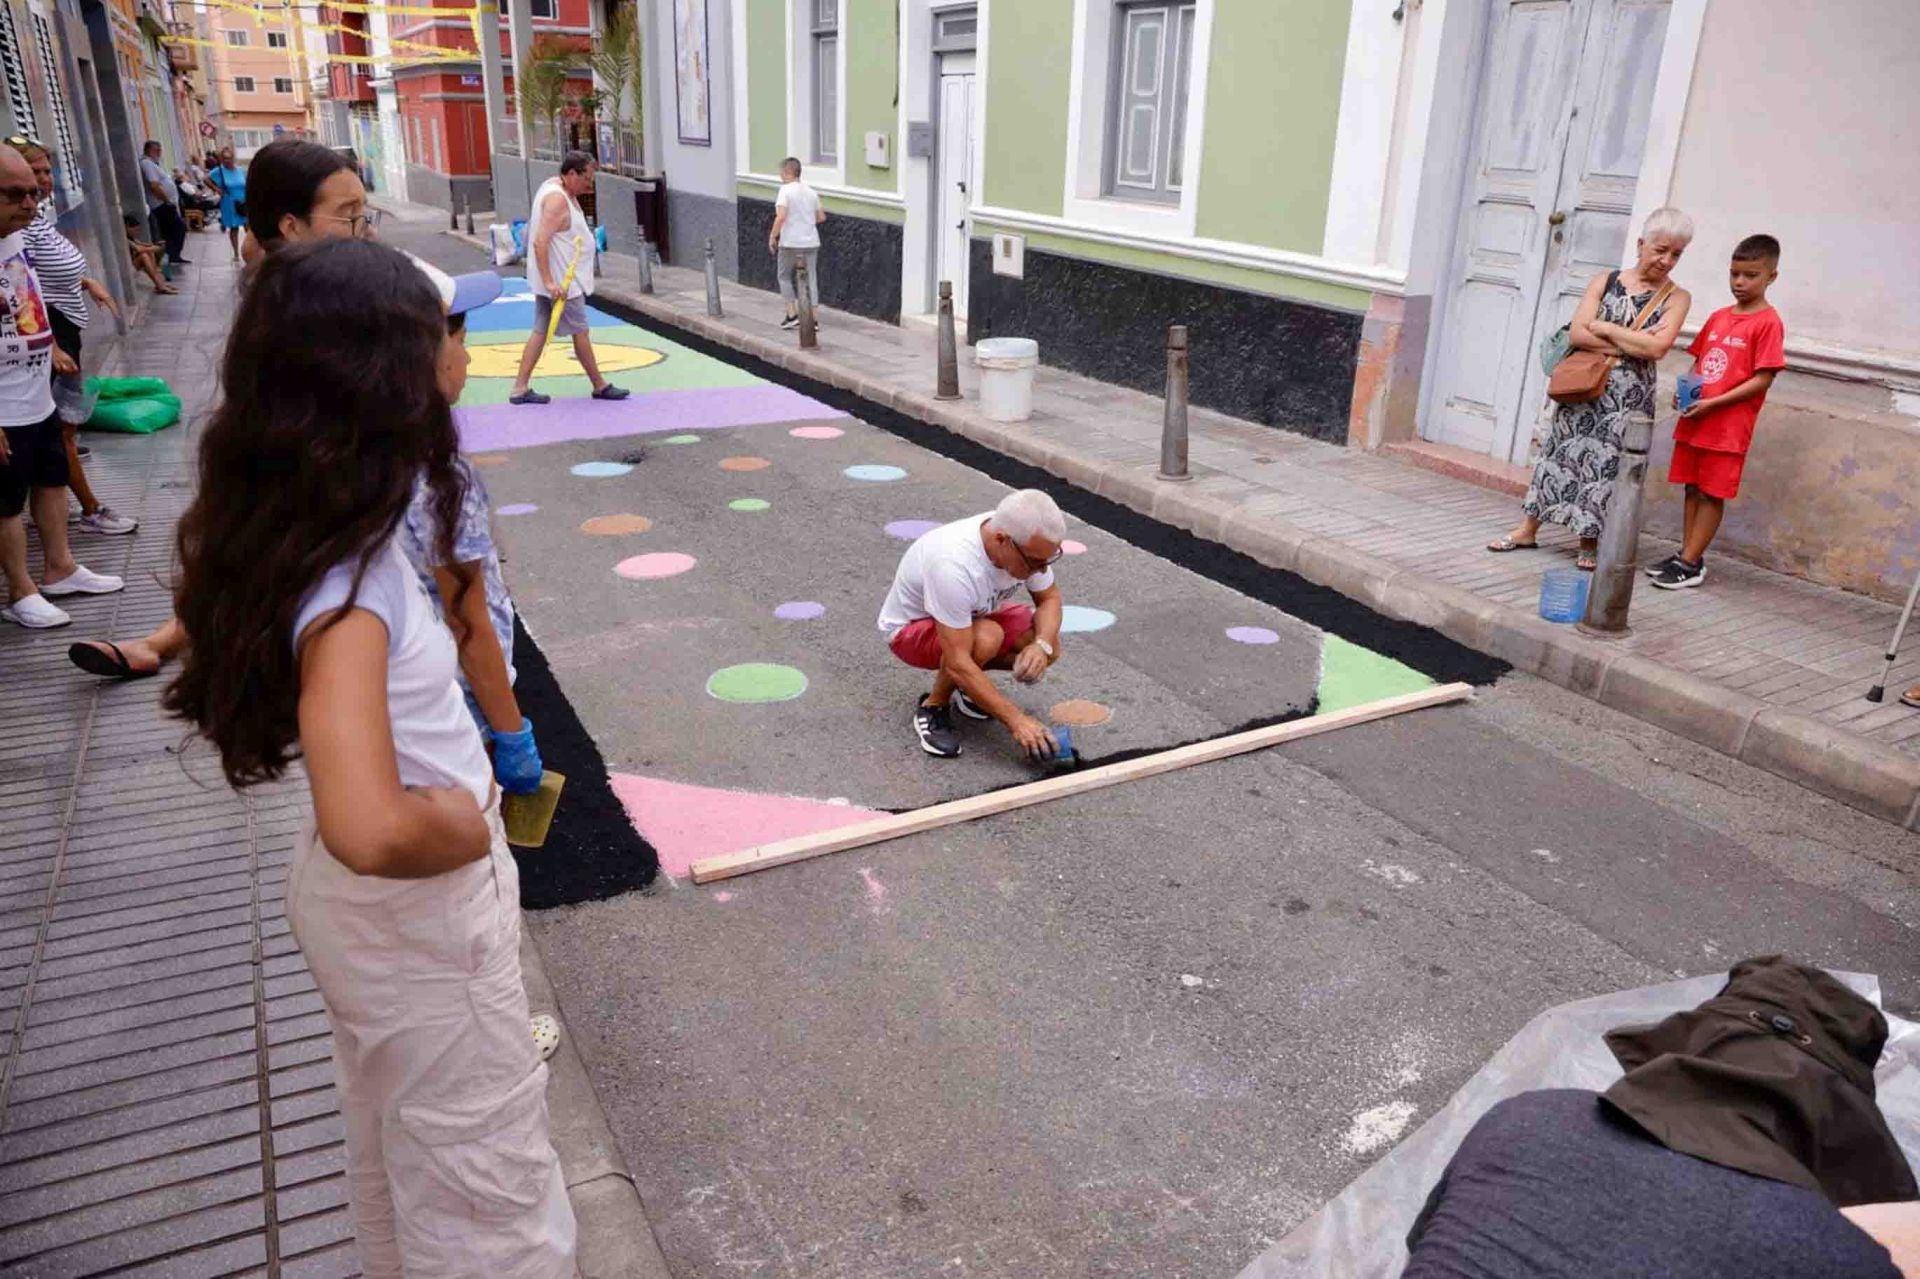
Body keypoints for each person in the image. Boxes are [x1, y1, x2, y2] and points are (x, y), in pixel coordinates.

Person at [163, 238, 576, 1276]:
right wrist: (459, 819)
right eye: (444, 333)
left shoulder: (319, 528)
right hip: (418, 914)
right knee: (487, 1184)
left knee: (404, 1151)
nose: (461, 353)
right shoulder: (356, 579)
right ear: (382, 375)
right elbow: (368, 823)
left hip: (376, 921)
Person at [68, 139, 368, 676]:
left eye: (363, 214)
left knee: (243, 562)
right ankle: (173, 644)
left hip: (292, 462)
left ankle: (160, 643)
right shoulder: (300, 299)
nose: (362, 229)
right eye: (347, 217)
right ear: (292, 225)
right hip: (305, 465)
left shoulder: (288, 269)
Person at [1489, 208, 1694, 571]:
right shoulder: (1606, 280)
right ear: (1641, 244)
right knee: (1560, 451)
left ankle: (1589, 539)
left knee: (1608, 465)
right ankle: (1528, 528)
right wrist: (1629, 342)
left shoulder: (1677, 298)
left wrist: (1608, 328)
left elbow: (1657, 349)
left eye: (1676, 254)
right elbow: (1578, 333)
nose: (1667, 260)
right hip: (1584, 383)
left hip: (1628, 397)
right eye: (1660, 249)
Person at [0, 146, 123, 628]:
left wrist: (47, 346)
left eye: (33, 192)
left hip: (33, 391)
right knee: (6, 501)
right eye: (15, 194)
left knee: (51, 479)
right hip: (4, 404)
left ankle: (60, 568)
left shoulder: (12, 238)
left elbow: (28, 300)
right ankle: (21, 590)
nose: (30, 203)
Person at [878, 489, 1068, 760]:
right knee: (986, 638)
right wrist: (1018, 722)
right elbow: (956, 661)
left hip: (969, 616)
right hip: (910, 630)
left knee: (1047, 643)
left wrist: (1042, 645)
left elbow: (1049, 598)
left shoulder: (1023, 538)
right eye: (1036, 563)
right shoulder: (953, 565)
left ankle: (971, 689)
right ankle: (933, 707)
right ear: (1003, 541)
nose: (1041, 569)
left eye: (1049, 560)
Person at [1648, 234, 1786, 591]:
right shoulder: (1718, 317)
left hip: (1727, 427)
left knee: (1711, 492)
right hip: (1697, 419)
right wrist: (1687, 394)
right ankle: (1686, 554)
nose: (1740, 283)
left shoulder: (1768, 323)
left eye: (1751, 275)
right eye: (1735, 274)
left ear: (1771, 276)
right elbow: (1700, 362)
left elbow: (1763, 378)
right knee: (1692, 488)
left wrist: (1714, 403)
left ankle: (1691, 563)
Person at [14, 139, 136, 536]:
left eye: (47, 172)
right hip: (49, 334)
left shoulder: (36, 220)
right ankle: (90, 509)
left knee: (58, 429)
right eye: (35, 174)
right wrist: (50, 345)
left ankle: (48, 509)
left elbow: (47, 270)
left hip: (62, 326)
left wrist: (86, 281)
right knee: (61, 429)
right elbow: (22, 290)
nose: (44, 182)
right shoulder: (16, 230)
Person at [506, 150, 627, 406]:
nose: (589, 185)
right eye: (587, 178)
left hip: (557, 280)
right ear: (571, 173)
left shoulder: (557, 186)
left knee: (540, 330)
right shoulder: (557, 200)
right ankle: (599, 385)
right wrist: (551, 283)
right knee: (580, 331)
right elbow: (540, 242)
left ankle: (519, 388)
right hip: (562, 283)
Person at [768, 156, 825, 331]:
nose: (780, 176)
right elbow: (821, 217)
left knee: (784, 276)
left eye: (781, 173)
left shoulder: (785, 191)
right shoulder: (811, 192)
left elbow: (781, 216)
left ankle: (792, 314)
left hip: (790, 242)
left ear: (787, 172)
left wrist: (772, 236)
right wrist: (806, 222)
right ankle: (814, 320)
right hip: (810, 241)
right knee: (811, 279)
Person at [138, 140, 189, 268]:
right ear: (149, 150)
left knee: (170, 230)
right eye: (157, 150)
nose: (160, 153)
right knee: (179, 227)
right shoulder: (147, 164)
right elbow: (154, 185)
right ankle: (172, 255)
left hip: (164, 203)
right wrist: (166, 200)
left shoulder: (153, 164)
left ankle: (172, 256)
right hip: (160, 204)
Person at [209, 146, 248, 262]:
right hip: (229, 202)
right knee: (234, 228)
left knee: (248, 227)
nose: (227, 161)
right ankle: (236, 253)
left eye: (229, 158)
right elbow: (205, 179)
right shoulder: (219, 171)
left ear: (233, 158)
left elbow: (246, 183)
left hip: (243, 200)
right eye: (225, 158)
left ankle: (250, 249)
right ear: (221, 159)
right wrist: (216, 189)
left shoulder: (240, 170)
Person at [123, 215, 178, 295]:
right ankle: (159, 285)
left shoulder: (132, 238)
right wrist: (156, 248)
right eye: (135, 230)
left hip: (132, 264)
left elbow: (143, 245)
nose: (137, 233)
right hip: (127, 268)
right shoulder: (125, 239)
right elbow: (139, 249)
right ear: (127, 227)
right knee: (144, 255)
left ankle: (159, 282)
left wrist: (156, 245)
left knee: (149, 252)